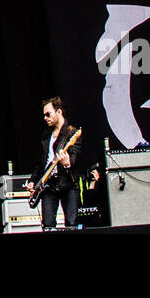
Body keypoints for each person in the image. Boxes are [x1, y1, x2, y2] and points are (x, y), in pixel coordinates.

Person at [25, 96, 93, 230]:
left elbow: (75, 157)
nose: (45, 118)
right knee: (48, 225)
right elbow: (41, 163)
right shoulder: (46, 135)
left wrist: (67, 163)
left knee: (72, 224)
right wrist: (33, 180)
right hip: (49, 186)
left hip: (68, 184)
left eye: (48, 114)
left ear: (59, 112)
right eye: (44, 115)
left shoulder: (71, 133)